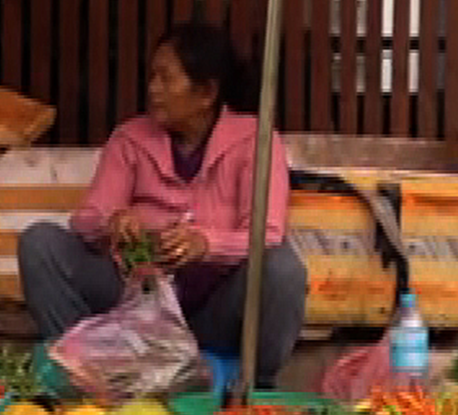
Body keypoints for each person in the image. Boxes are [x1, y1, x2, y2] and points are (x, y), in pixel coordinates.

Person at [20, 22, 308, 386]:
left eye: (165, 78)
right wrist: (114, 223)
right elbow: (87, 218)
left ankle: (255, 384)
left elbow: (266, 233)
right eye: (152, 76)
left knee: (282, 269)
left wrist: (206, 244)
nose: (153, 89)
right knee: (40, 244)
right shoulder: (130, 138)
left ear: (206, 92)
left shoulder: (255, 140)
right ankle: (84, 376)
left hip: (214, 314)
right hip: (134, 307)